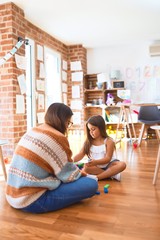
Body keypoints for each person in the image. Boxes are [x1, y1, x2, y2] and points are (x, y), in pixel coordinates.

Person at [5, 103, 98, 213]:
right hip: (32, 200)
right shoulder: (57, 137)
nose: (68, 126)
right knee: (91, 184)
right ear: (62, 120)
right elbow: (68, 176)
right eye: (68, 123)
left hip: (13, 194)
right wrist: (83, 174)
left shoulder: (34, 130)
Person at [73, 115, 126, 181]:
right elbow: (80, 154)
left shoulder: (109, 141)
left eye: (93, 129)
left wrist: (96, 162)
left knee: (122, 164)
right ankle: (111, 174)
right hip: (96, 167)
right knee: (86, 168)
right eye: (89, 130)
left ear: (101, 128)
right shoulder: (88, 142)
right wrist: (71, 160)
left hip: (109, 164)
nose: (91, 132)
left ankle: (97, 177)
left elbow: (108, 159)